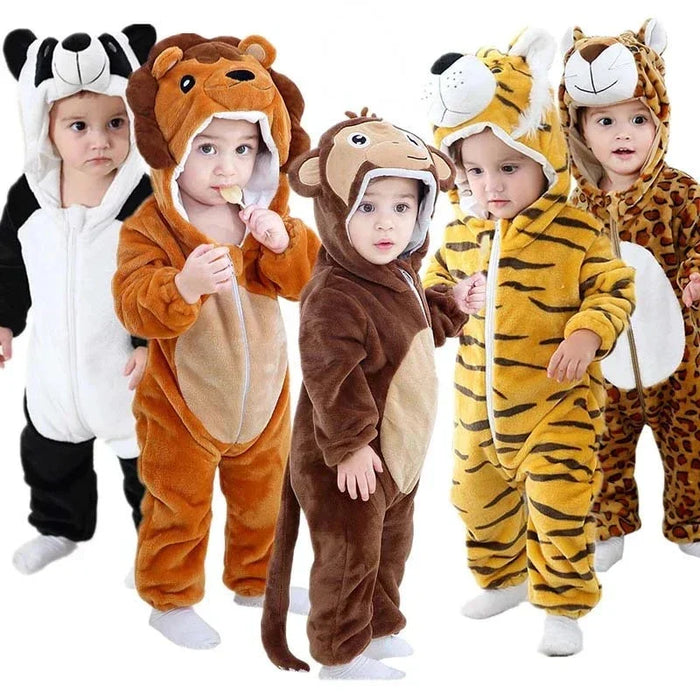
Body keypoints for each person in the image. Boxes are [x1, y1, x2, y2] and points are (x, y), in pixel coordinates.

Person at [423, 28, 635, 655]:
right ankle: (503, 579)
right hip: (478, 412)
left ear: (545, 157)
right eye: (476, 170)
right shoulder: (461, 235)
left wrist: (587, 333)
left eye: (509, 167)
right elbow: (426, 297)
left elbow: (613, 288)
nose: (491, 185)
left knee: (560, 507)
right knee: (473, 497)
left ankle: (564, 605)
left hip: (556, 407)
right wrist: (451, 300)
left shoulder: (576, 231)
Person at [113, 33, 319, 650]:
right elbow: (132, 300)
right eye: (208, 147)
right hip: (182, 404)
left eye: (244, 148)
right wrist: (183, 284)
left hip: (264, 405)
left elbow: (307, 284)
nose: (227, 167)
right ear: (176, 146)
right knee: (178, 504)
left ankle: (257, 581)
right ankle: (169, 598)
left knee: (266, 501)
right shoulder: (151, 227)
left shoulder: (263, 218)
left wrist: (283, 244)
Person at [261, 112, 477, 680]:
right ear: (336, 211)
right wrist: (351, 445)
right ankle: (338, 654)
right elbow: (330, 375)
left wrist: (453, 303)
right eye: (367, 207)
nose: (387, 223)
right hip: (347, 457)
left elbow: (412, 329)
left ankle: (375, 627)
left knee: (389, 547)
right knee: (349, 554)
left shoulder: (397, 274)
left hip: (397, 451)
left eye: (402, 207)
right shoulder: (336, 291)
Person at [0, 26, 156, 575]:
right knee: (49, 451)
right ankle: (58, 527)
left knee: (147, 462)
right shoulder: (29, 198)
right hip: (55, 369)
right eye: (79, 126)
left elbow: (156, 280)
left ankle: (158, 546)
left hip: (125, 368)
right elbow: (9, 264)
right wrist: (3, 320)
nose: (100, 141)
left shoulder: (143, 200)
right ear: (45, 128)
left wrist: (149, 343)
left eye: (116, 123)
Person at [560, 19, 700, 572]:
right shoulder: (576, 207)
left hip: (683, 359)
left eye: (638, 119)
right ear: (579, 128)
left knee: (693, 444)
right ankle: (608, 524)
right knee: (601, 446)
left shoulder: (680, 192)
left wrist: (695, 274)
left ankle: (692, 519)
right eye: (606, 121)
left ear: (659, 120)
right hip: (606, 361)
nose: (624, 134)